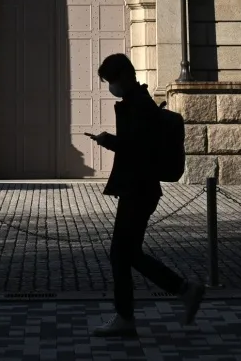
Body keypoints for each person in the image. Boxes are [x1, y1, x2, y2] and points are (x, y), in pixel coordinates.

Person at [85, 52, 204, 338]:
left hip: (139, 188)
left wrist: (109, 141)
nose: (110, 86)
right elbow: (138, 145)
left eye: (111, 80)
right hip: (141, 187)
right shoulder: (139, 102)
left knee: (120, 253)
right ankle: (181, 292)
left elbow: (137, 147)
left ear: (123, 77)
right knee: (128, 253)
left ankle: (132, 315)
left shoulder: (138, 105)